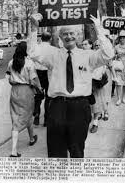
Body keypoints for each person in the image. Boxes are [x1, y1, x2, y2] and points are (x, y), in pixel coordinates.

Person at [28, 14, 114, 158]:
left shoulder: (88, 55)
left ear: (78, 36)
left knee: (77, 149)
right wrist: (33, 28)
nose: (69, 36)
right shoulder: (52, 54)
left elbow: (108, 54)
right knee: (56, 151)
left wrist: (98, 29)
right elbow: (32, 51)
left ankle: (76, 179)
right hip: (57, 106)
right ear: (60, 37)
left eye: (72, 33)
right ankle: (59, 179)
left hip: (80, 107)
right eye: (65, 34)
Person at [6, 41, 42, 157]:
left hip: (15, 91)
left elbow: (9, 78)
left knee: (16, 118)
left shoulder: (11, 62)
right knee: (27, 116)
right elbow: (34, 79)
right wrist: (40, 89)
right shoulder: (29, 63)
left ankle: (30, 139)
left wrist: (15, 82)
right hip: (26, 92)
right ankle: (16, 149)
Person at [90, 39, 116, 133]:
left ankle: (105, 112)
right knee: (97, 99)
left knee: (105, 96)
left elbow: (111, 66)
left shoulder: (105, 56)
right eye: (96, 45)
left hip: (105, 78)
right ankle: (98, 115)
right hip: (94, 79)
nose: (97, 46)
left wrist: (114, 77)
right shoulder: (91, 55)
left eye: (99, 45)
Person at [32, 32, 56, 127]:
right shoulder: (53, 50)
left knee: (38, 95)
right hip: (48, 73)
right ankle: (46, 118)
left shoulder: (36, 48)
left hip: (38, 72)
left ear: (41, 39)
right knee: (48, 97)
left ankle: (37, 114)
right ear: (50, 39)